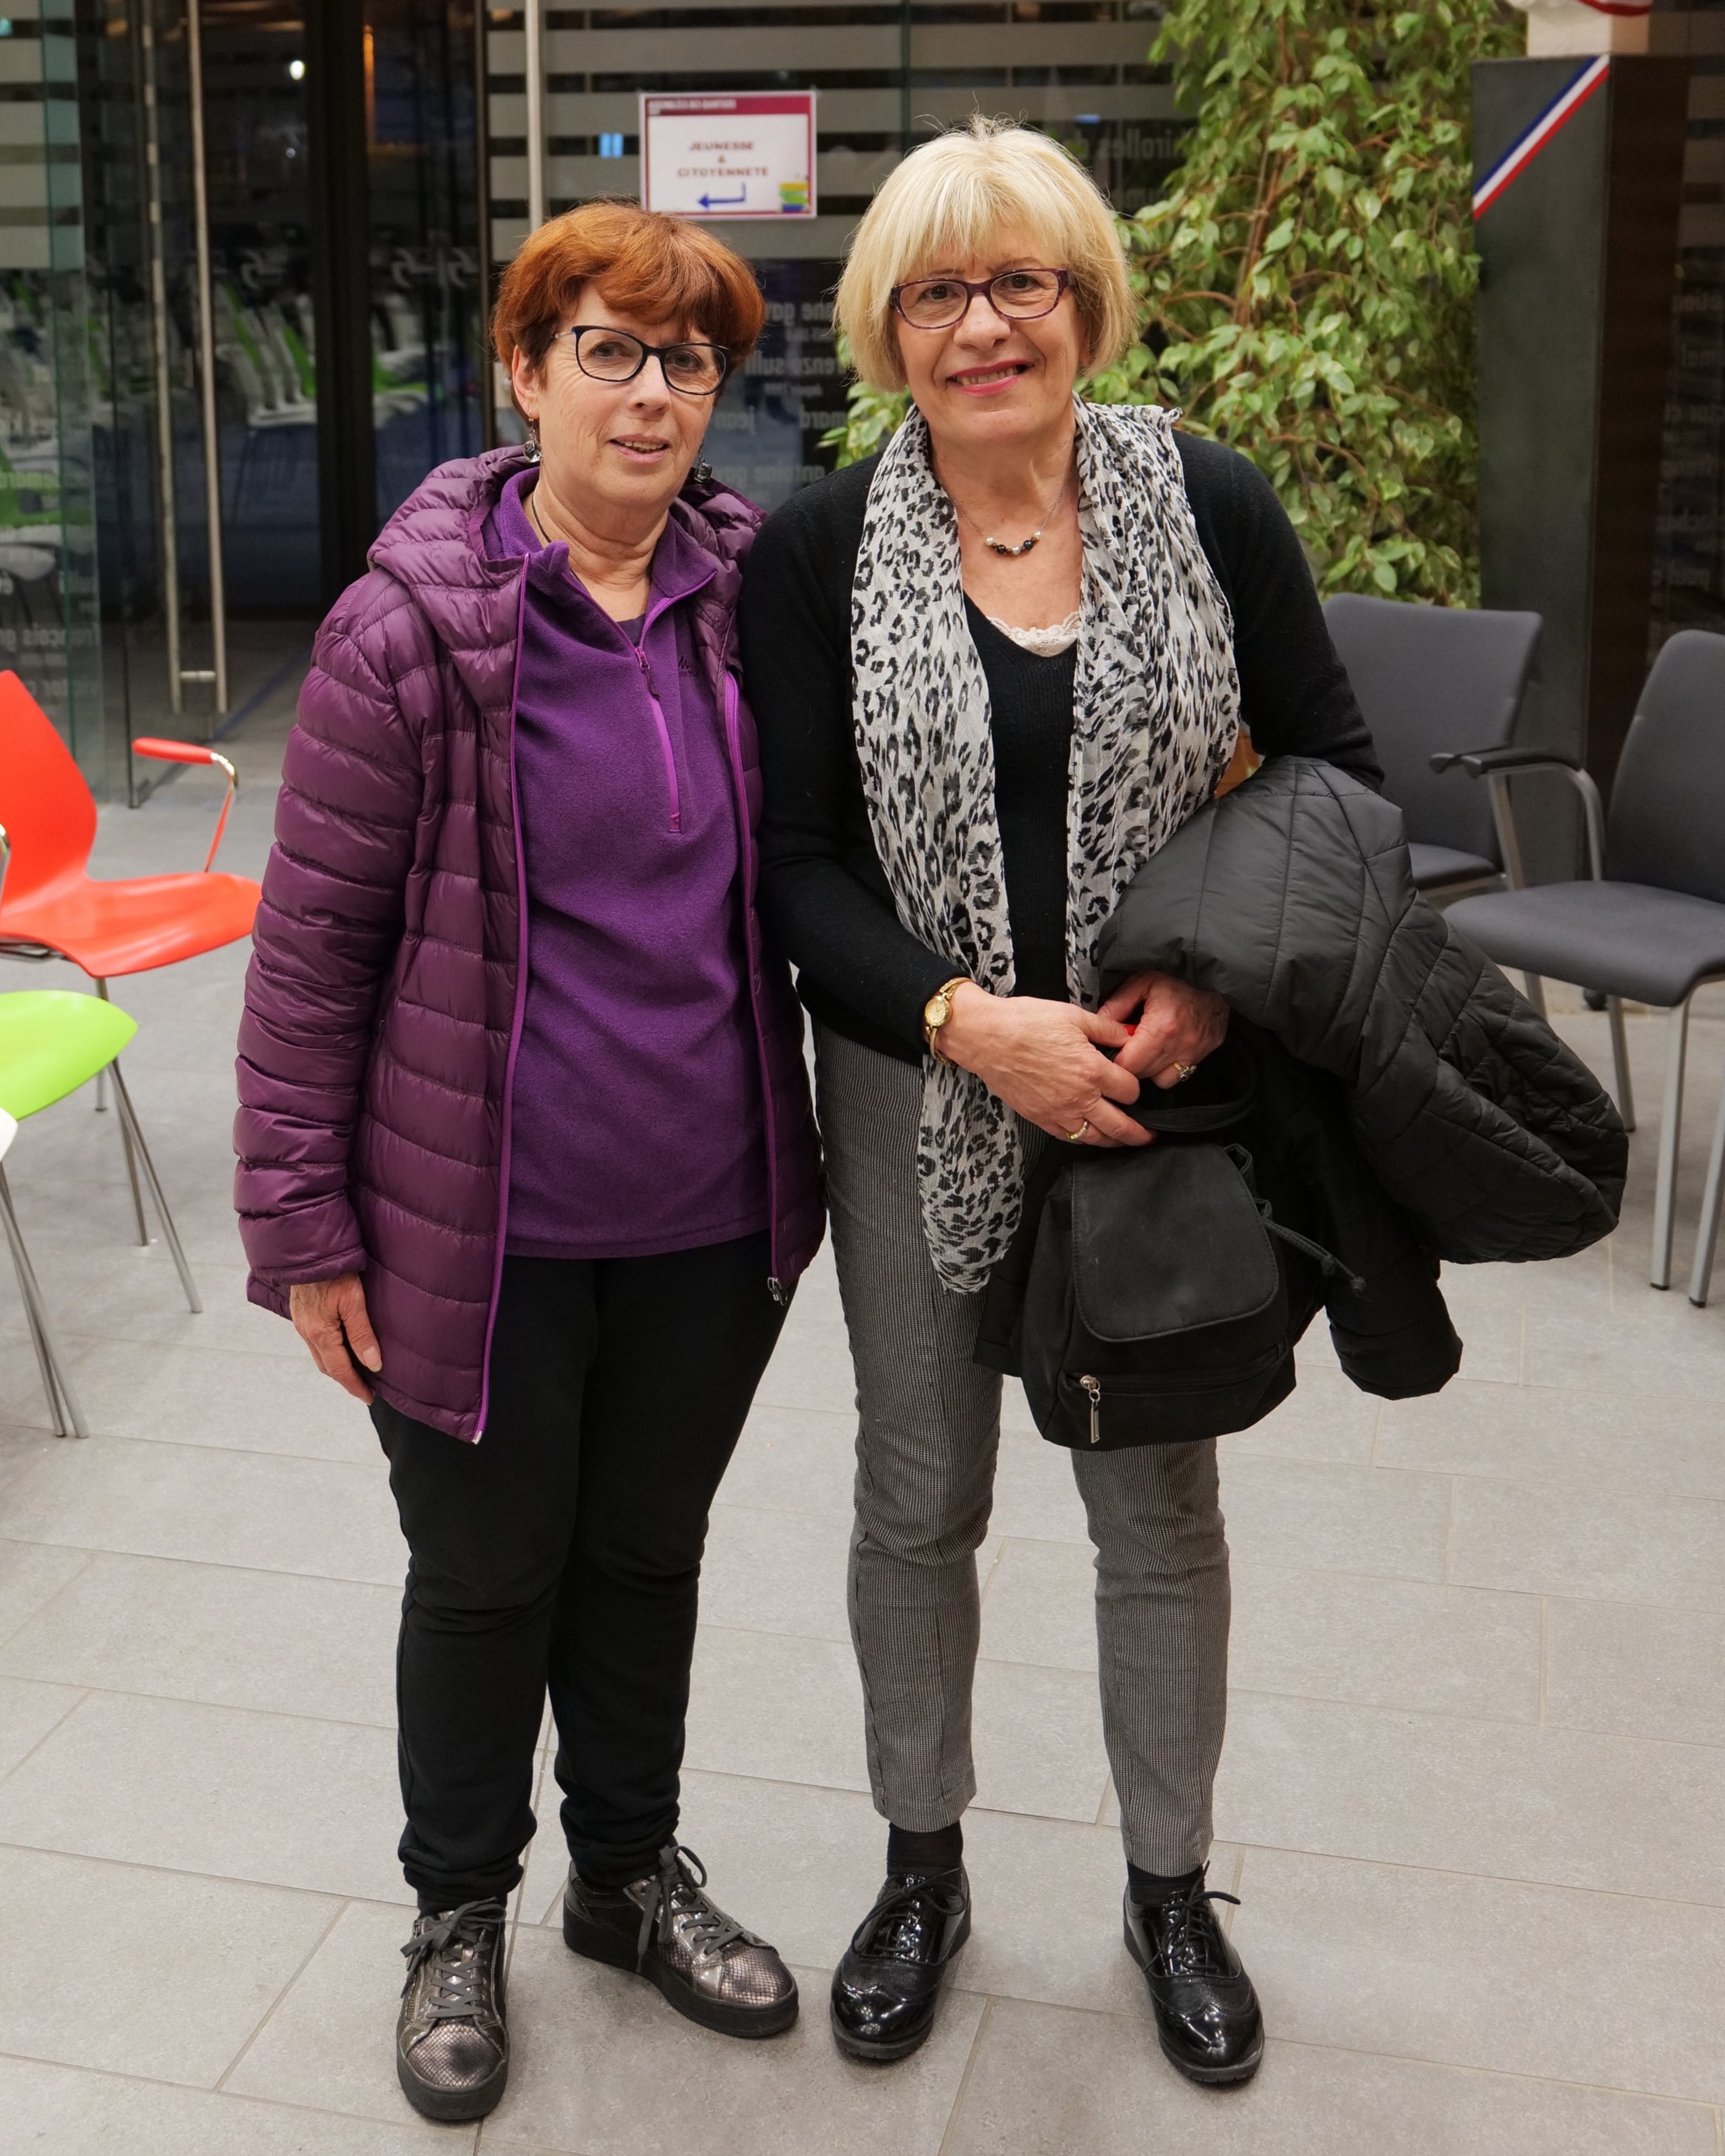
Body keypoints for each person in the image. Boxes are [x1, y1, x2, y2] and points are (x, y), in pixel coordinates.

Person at [740, 118, 1382, 2087]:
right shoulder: (819, 547)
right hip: (912, 1084)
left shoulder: (1209, 500)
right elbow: (797, 870)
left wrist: (1194, 985)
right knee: (919, 1498)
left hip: (1157, 1091)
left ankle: (1168, 1887)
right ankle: (920, 1861)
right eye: (936, 289)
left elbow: (1337, 772)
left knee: (1153, 1503)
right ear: (886, 329)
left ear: (1082, 300)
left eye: (1019, 280)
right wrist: (966, 1019)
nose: (982, 323)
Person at [234, 201, 823, 2124]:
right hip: (472, 1226)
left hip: (713, 1207)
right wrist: (308, 1226)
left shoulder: (752, 597)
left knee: (649, 1556)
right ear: (522, 371)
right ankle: (457, 1913)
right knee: (487, 1577)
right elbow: (311, 948)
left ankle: (628, 1876)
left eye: (689, 361)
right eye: (607, 351)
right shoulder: (413, 623)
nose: (652, 395)